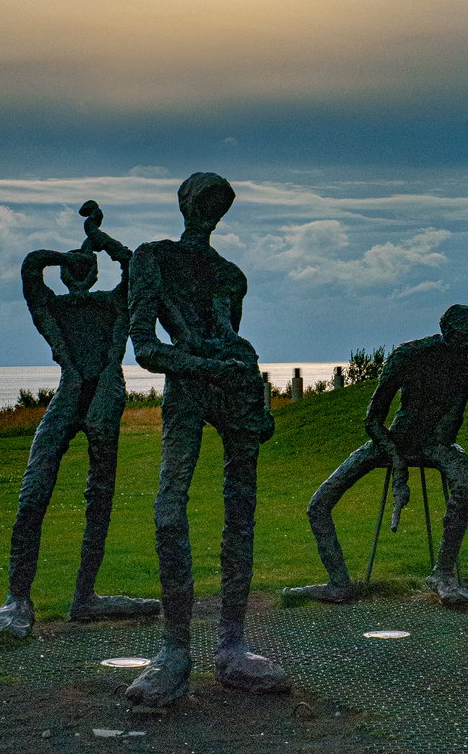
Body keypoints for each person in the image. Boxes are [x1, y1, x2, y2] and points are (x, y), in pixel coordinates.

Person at [125, 173, 287, 706]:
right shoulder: (153, 258)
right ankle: (174, 650)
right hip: (191, 391)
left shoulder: (231, 275)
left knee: (241, 512)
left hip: (233, 388)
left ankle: (232, 646)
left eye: (219, 205)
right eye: (202, 202)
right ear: (184, 203)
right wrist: (205, 366)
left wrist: (251, 389)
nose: (209, 212)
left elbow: (233, 340)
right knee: (170, 508)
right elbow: (146, 349)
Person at [0, 202, 158, 641]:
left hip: (105, 396)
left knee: (100, 491)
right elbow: (30, 267)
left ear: (95, 273)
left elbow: (133, 266)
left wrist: (96, 237)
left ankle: (85, 596)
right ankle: (17, 598)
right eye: (74, 268)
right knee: (34, 488)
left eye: (86, 266)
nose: (80, 271)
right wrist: (69, 253)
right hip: (70, 393)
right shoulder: (54, 309)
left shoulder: (113, 304)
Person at [284, 305, 468, 607]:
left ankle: (443, 574)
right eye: (461, 338)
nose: (467, 346)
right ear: (445, 331)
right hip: (396, 439)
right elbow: (373, 419)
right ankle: (338, 582)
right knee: (319, 504)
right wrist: (395, 458)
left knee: (466, 489)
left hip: (439, 444)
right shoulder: (407, 355)